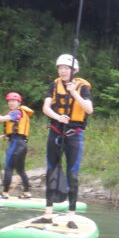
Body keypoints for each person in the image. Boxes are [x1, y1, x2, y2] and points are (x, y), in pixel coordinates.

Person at [33, 54, 93, 228]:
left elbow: (88, 109)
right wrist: (59, 117)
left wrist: (74, 92)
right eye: (60, 68)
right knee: (51, 171)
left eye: (66, 68)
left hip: (74, 134)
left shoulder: (83, 88)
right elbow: (45, 108)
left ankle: (71, 217)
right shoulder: (53, 85)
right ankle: (47, 215)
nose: (63, 71)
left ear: (74, 70)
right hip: (56, 131)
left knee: (72, 175)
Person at [0, 92, 34, 199]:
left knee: (8, 168)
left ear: (19, 102)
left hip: (16, 145)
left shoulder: (16, 113)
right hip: (22, 144)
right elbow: (15, 133)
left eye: (13, 101)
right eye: (9, 101)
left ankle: (5, 193)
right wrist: (0, 137)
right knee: (20, 170)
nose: (11, 103)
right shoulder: (19, 113)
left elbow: (1, 119)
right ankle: (26, 193)